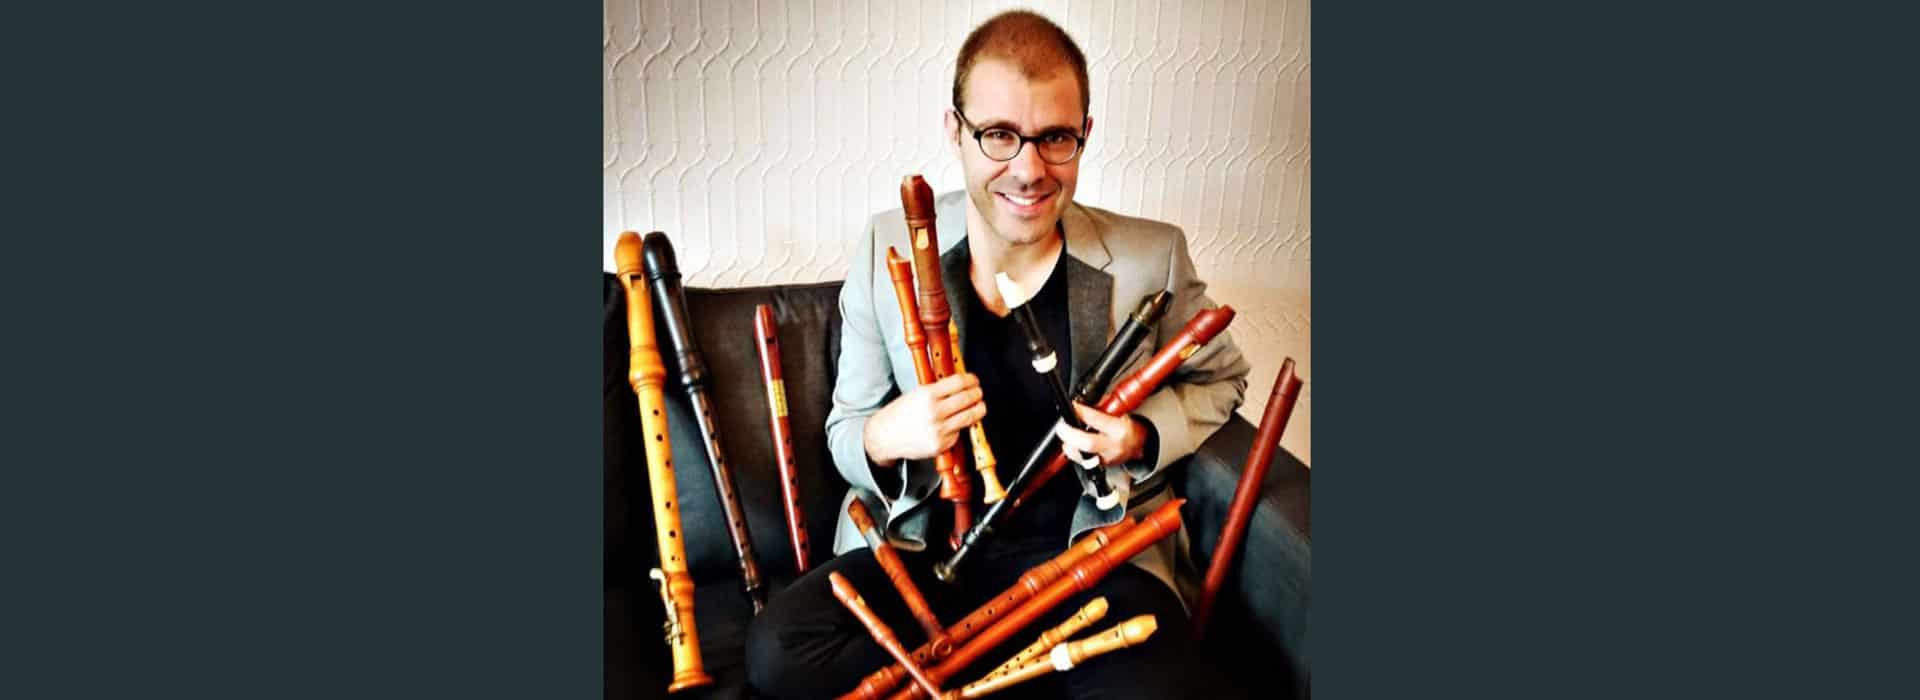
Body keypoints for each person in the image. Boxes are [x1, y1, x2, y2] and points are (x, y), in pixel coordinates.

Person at [746, 10, 1249, 698]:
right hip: (929, 556)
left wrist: (1139, 435)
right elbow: (844, 431)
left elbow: (1223, 381)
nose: (1029, 169)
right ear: (955, 130)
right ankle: (1022, 675)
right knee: (778, 652)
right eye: (999, 135)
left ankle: (968, 677)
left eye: (1055, 138)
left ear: (1085, 135)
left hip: (1086, 558)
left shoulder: (1150, 257)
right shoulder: (885, 243)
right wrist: (886, 434)